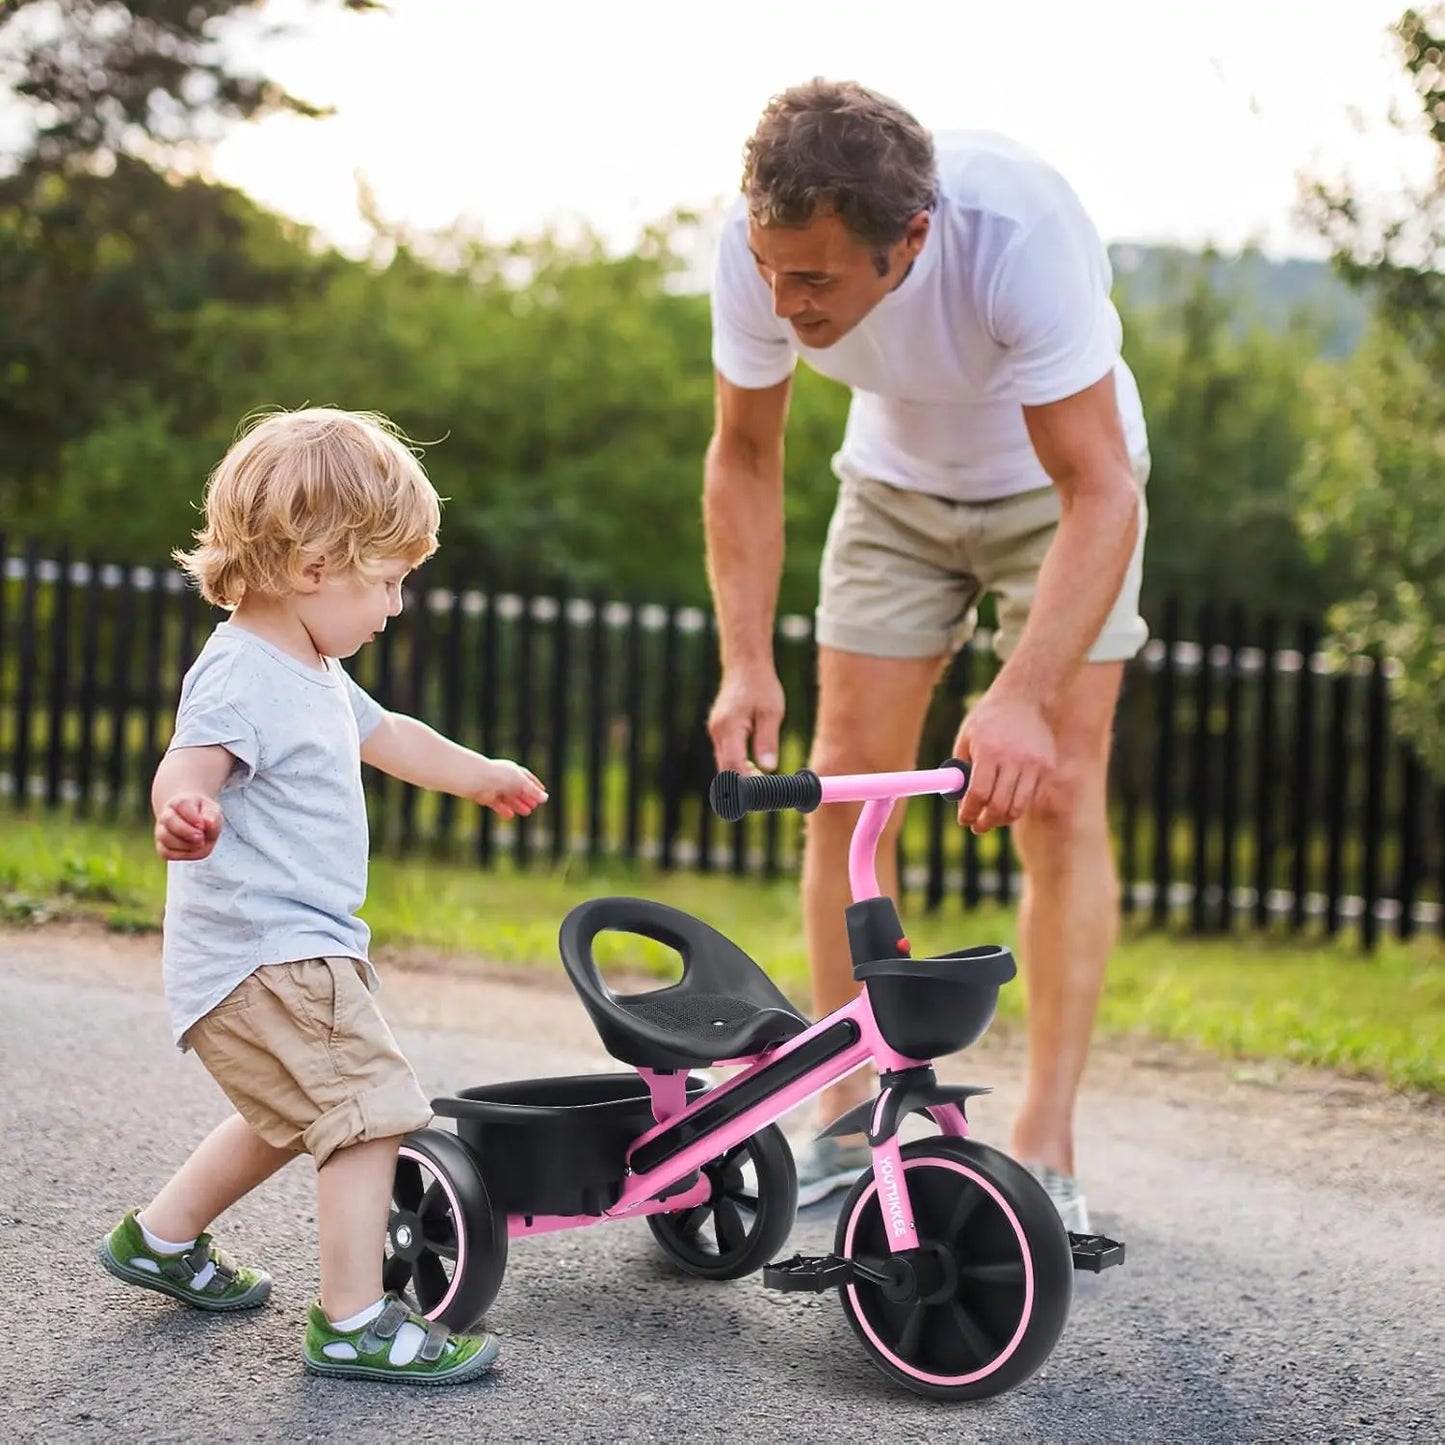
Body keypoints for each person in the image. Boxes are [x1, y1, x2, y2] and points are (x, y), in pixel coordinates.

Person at [704, 80, 1150, 1228]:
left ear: (907, 240)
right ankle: (847, 1114)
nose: (782, 300)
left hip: (1060, 494)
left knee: (1057, 789)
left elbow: (1100, 487)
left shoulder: (1014, 233)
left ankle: (1044, 1141)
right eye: (768, 269)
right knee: (845, 790)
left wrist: (1022, 696)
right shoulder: (757, 248)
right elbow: (743, 454)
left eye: (812, 279)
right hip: (892, 491)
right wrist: (744, 659)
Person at [97, 407, 548, 1384]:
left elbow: (391, 736)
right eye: (385, 581)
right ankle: (351, 1317)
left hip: (273, 955)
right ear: (312, 566)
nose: (394, 606)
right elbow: (187, 763)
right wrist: (182, 808)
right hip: (272, 953)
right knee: (372, 1110)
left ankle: (162, 1237)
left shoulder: (314, 671)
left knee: (293, 1114)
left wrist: (479, 774)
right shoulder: (240, 673)